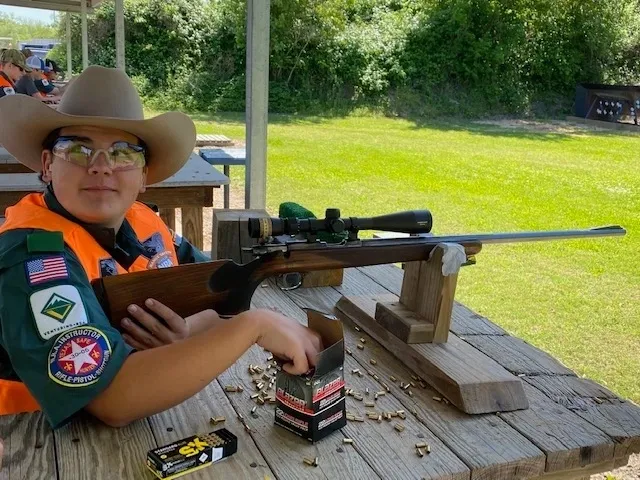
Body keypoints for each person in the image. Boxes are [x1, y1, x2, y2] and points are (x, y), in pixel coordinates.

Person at [0, 65, 322, 430]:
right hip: (31, 439)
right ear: (47, 165)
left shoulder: (141, 221)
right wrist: (255, 326)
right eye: (77, 149)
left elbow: (219, 296)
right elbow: (111, 400)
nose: (101, 167)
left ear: (143, 177)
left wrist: (184, 332)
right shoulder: (34, 256)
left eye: (123, 154)